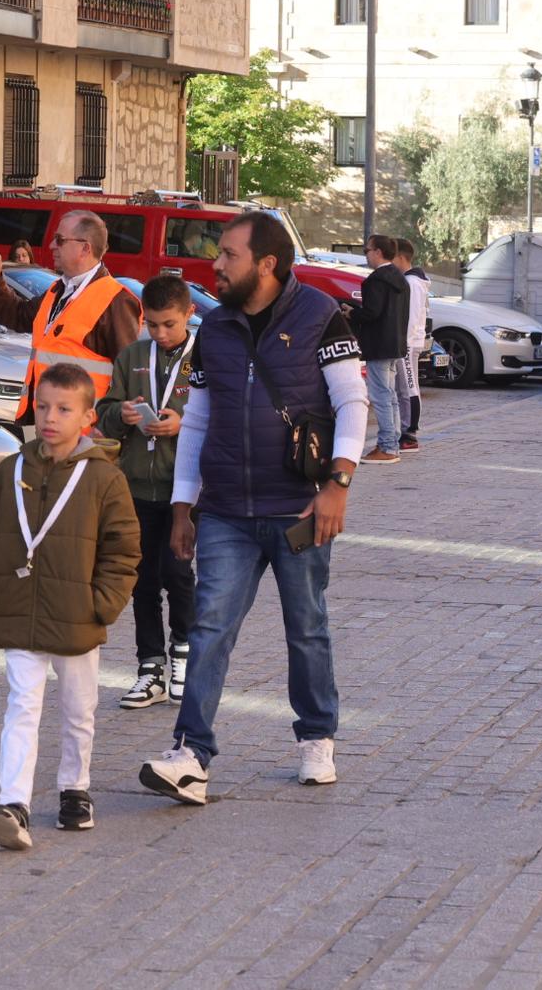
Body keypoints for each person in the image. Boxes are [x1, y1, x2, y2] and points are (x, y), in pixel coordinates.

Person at [139, 210, 368, 806]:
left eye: (229, 255)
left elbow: (352, 402)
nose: (215, 265)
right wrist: (184, 505)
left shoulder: (321, 315)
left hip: (299, 510)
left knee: (306, 629)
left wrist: (338, 484)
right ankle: (191, 754)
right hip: (226, 514)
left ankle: (317, 737)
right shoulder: (211, 331)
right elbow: (197, 423)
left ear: (266, 264)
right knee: (209, 626)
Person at [0, 363, 140, 850]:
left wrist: (101, 604)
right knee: (21, 704)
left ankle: (75, 788)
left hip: (77, 614)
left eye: (64, 409)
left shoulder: (105, 479)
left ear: (88, 416)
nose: (50, 417)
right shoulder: (12, 470)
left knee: (77, 708)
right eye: (43, 406)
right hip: (18, 607)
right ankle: (12, 803)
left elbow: (123, 549)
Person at [96, 273, 198, 709]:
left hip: (185, 490)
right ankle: (149, 667)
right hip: (137, 485)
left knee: (178, 576)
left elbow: (226, 417)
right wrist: (121, 413)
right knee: (142, 581)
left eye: (169, 324)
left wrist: (183, 423)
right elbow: (103, 414)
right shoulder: (133, 355)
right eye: (152, 324)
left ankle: (183, 656)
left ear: (189, 315)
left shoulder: (206, 357)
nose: (160, 333)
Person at [0, 210, 142, 433]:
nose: (51, 246)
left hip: (86, 434)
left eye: (60, 240)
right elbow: (18, 315)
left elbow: (130, 379)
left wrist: (107, 429)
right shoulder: (58, 290)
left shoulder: (116, 301)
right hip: (47, 423)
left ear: (85, 248)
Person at [355, 233, 410, 465]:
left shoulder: (376, 281)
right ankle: (392, 442)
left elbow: (372, 313)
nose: (366, 255)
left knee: (380, 396)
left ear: (378, 252)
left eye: (367, 250)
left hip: (378, 345)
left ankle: (387, 447)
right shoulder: (401, 279)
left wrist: (352, 313)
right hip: (395, 344)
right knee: (391, 396)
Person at [393, 238, 430, 454]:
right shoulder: (411, 281)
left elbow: (412, 316)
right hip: (407, 342)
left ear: (400, 257)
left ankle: (409, 433)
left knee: (408, 386)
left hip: (407, 344)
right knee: (405, 386)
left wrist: (403, 342)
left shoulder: (412, 284)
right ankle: (406, 429)